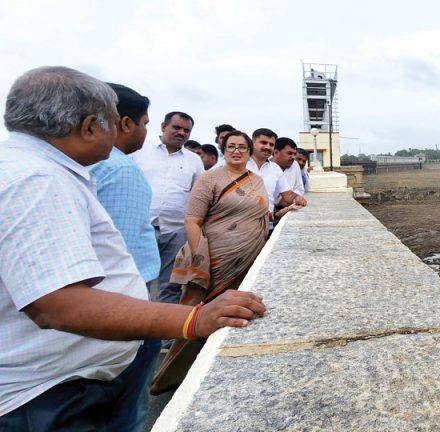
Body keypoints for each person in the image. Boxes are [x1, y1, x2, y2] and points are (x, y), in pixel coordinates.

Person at [0, 66, 266, 431]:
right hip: (46, 396)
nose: (124, 132)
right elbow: (57, 303)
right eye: (114, 122)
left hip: (57, 386)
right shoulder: (38, 179)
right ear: (91, 126)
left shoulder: (32, 168)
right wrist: (194, 319)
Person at [152, 131, 270, 391]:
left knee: (234, 314)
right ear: (224, 150)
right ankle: (171, 377)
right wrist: (200, 257)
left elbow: (262, 214)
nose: (236, 151)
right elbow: (192, 221)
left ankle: (217, 372)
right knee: (197, 314)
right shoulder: (209, 179)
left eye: (242, 147)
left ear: (249, 152)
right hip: (214, 258)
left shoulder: (257, 180)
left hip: (247, 259)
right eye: (231, 147)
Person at [88, 83, 160, 432]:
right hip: (122, 304)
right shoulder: (120, 170)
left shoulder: (85, 166)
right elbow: (119, 255)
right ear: (127, 124)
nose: (146, 131)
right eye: (146, 123)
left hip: (93, 308)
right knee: (128, 404)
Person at [132, 111, 204, 306]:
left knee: (171, 284)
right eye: (176, 127)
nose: (181, 133)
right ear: (164, 127)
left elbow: (198, 196)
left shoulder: (194, 160)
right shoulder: (140, 150)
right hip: (141, 227)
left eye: (186, 130)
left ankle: (164, 332)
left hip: (176, 231)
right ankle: (138, 328)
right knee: (138, 281)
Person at [246, 128, 306, 223]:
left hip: (266, 224)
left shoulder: (275, 169)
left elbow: (288, 195)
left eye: (271, 144)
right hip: (239, 226)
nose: (268, 147)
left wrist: (297, 198)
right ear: (252, 142)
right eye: (263, 142)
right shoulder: (240, 165)